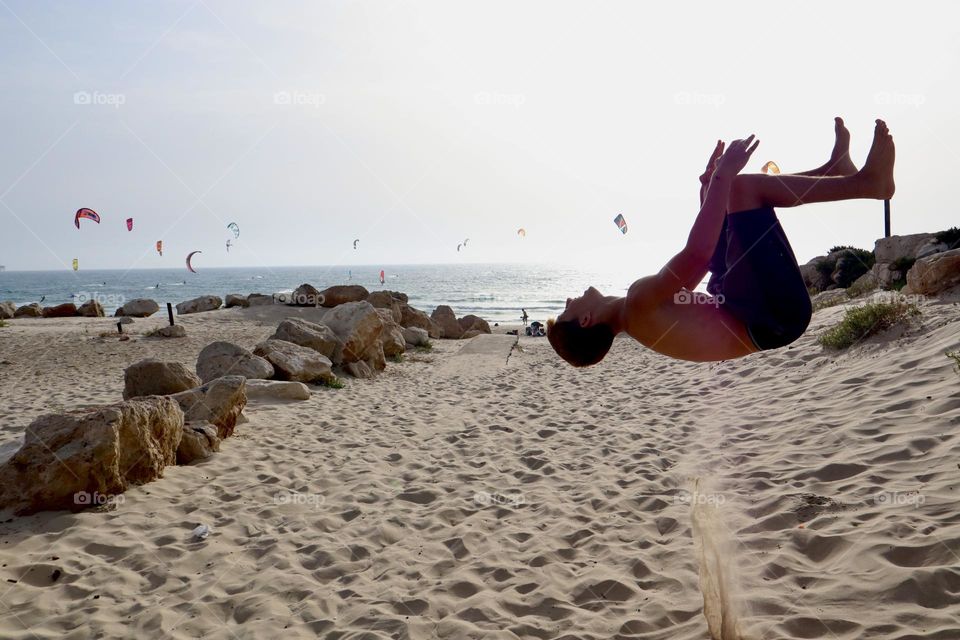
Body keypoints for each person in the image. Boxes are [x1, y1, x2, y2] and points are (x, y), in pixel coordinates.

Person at [548, 118, 895, 366]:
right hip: (770, 316)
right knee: (743, 189)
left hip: (749, 308)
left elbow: (707, 263)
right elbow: (696, 257)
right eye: (567, 309)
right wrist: (723, 178)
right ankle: (867, 184)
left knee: (729, 194)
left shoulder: (637, 316)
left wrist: (711, 191)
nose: (568, 300)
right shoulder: (637, 304)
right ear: (585, 320)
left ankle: (834, 169)